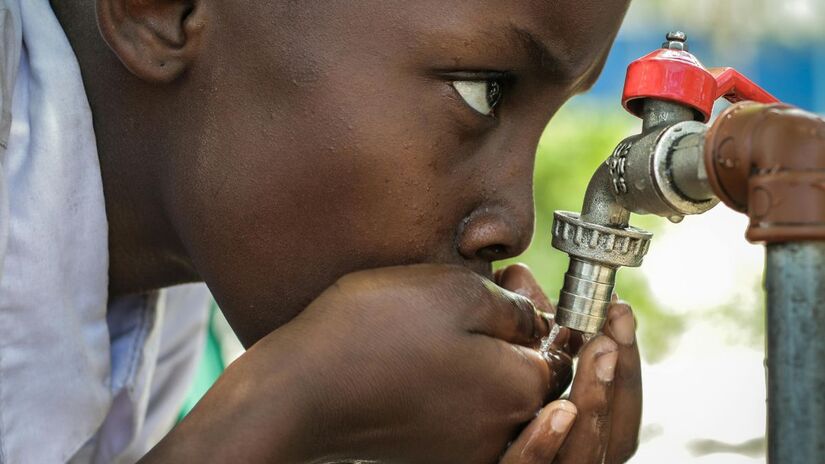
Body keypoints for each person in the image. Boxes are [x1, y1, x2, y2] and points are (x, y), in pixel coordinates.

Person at [2, 0, 645, 462]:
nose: (514, 225)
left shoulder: (163, 307)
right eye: (482, 91)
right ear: (164, 9)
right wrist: (286, 407)